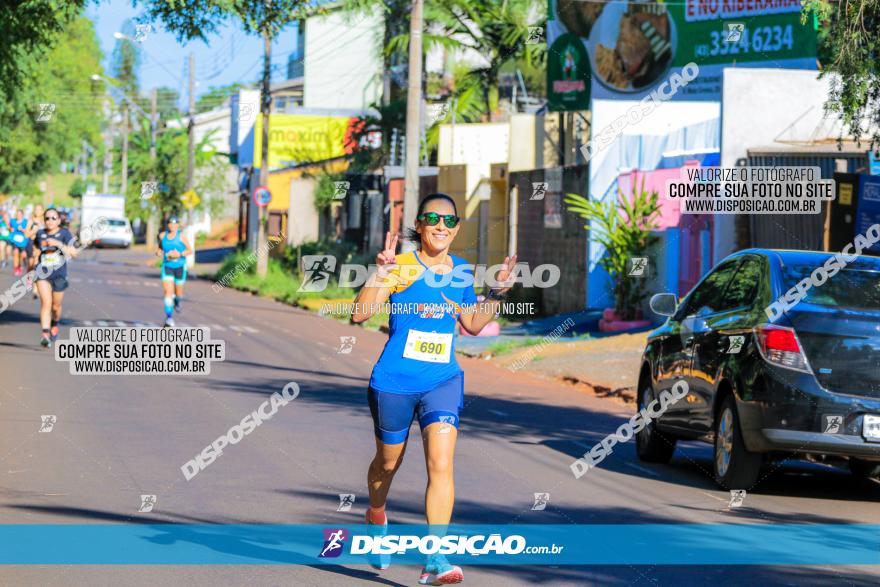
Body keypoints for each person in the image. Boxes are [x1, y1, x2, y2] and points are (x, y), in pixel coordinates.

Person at [351, 193, 516, 585]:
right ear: (420, 226)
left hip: (442, 380)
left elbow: (473, 324)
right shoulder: (401, 267)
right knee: (388, 464)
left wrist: (496, 293)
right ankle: (376, 517)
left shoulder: (460, 271)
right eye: (432, 218)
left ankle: (436, 557)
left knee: (441, 463)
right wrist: (381, 274)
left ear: (457, 228)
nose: (441, 226)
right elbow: (359, 314)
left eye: (449, 220)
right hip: (394, 381)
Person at [33, 208, 78, 347]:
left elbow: (74, 253)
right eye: (47, 218)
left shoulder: (65, 234)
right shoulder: (40, 234)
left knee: (55, 306)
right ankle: (45, 334)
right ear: (44, 220)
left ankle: (55, 323)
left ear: (58, 220)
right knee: (46, 303)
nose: (50, 221)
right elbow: (36, 250)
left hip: (59, 275)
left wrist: (58, 244)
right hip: (43, 274)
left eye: (53, 218)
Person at [156, 215, 192, 327]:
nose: (172, 225)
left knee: (178, 293)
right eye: (170, 223)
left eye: (174, 223)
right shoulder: (162, 236)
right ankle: (169, 318)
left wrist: (179, 254)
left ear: (178, 225)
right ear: (167, 225)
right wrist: (158, 252)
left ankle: (177, 301)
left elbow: (189, 250)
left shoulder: (181, 236)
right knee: (168, 292)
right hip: (167, 266)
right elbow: (160, 248)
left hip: (180, 267)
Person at [9, 208, 31, 277]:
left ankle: (20, 265)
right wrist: (10, 229)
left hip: (23, 241)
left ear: (22, 215)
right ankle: (16, 269)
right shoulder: (12, 221)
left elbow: (28, 231)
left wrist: (23, 229)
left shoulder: (25, 221)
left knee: (22, 255)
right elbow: (9, 226)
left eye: (20, 214)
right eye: (17, 214)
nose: (18, 215)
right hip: (14, 240)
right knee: (15, 253)